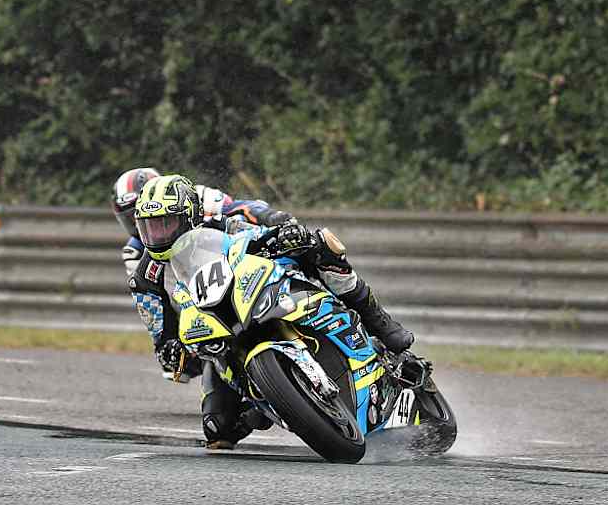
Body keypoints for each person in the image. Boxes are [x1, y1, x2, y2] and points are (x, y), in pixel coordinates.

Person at [130, 174, 415, 449]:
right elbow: (158, 328)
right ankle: (271, 407)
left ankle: (381, 325)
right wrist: (168, 348)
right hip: (216, 333)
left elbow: (255, 222)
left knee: (318, 244)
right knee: (218, 428)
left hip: (252, 290)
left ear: (188, 217)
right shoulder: (144, 277)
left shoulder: (218, 225)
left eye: (165, 224)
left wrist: (281, 228)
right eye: (149, 227)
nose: (157, 235)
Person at [112, 168, 293, 381]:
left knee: (304, 249)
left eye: (163, 220)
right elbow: (151, 303)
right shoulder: (135, 253)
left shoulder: (196, 196)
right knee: (178, 364)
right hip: (192, 294)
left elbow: (243, 208)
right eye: (134, 218)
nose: (153, 227)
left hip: (234, 254)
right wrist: (168, 344)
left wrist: (273, 219)